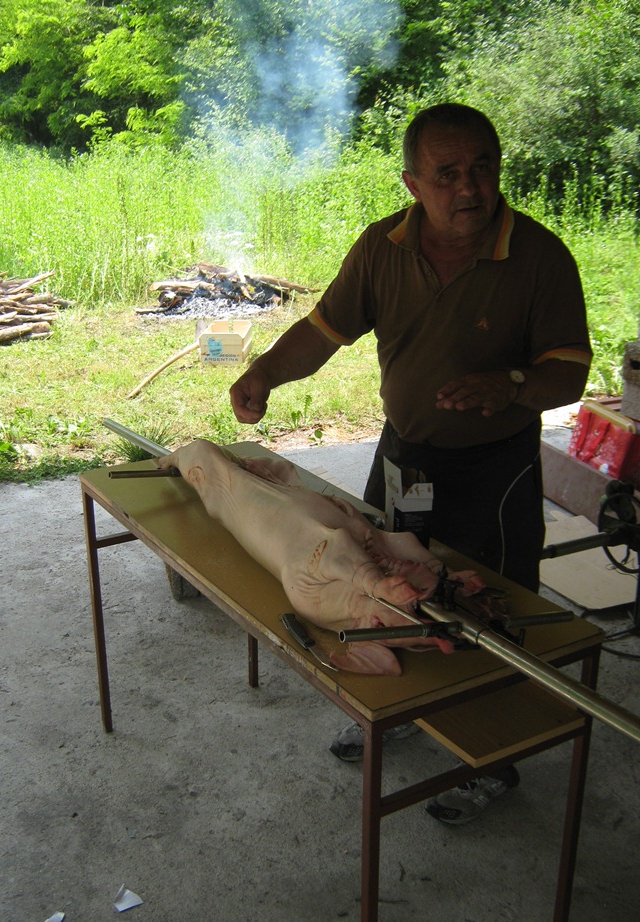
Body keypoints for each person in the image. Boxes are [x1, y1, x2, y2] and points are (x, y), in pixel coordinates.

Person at [229, 103, 592, 823]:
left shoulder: (538, 257)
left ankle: (492, 758)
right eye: (446, 174)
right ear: (412, 185)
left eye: (482, 168)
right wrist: (265, 372)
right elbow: (322, 332)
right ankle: (399, 715)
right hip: (405, 460)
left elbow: (570, 374)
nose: (469, 188)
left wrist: (511, 384)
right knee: (385, 592)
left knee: (491, 611)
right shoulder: (383, 247)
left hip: (495, 471)